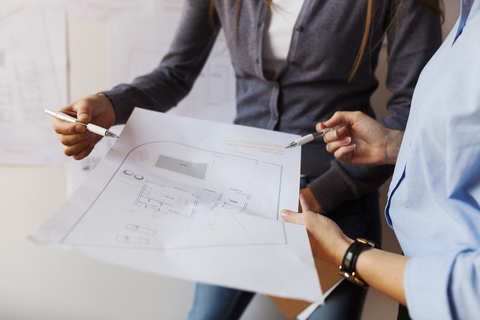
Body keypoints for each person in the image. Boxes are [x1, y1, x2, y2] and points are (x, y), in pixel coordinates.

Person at [51, 0, 442, 319]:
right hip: (238, 198)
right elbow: (176, 72)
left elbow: (410, 115)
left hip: (336, 207)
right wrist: (110, 104)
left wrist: (318, 196)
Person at [281, 0, 480, 318]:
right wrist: (394, 145)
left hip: (440, 290)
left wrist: (345, 253)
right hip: (418, 275)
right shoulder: (468, 22)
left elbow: (472, 289)